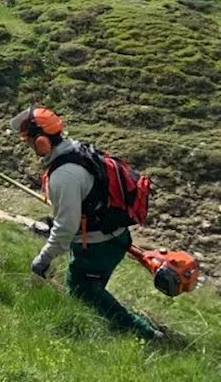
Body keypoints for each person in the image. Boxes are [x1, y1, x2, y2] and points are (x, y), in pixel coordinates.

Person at [12, 105, 162, 340]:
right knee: (91, 290)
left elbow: (66, 227)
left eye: (30, 141)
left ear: (41, 140)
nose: (30, 147)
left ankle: (145, 335)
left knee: (83, 293)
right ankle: (114, 327)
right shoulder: (77, 151)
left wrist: (43, 259)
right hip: (114, 236)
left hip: (97, 245)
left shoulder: (64, 175)